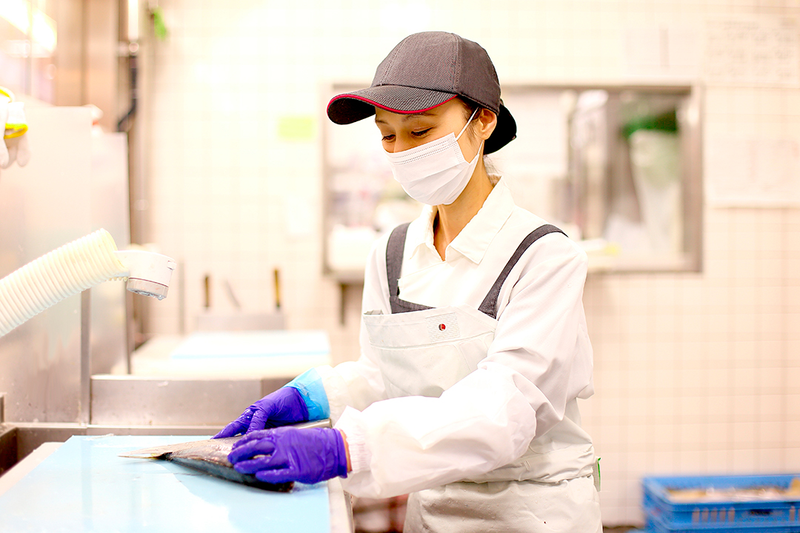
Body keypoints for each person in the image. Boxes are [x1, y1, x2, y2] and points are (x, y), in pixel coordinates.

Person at [215, 31, 602, 532]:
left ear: (483, 121)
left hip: (532, 513)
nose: (401, 151)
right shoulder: (392, 253)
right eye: (387, 135)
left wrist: (347, 448)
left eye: (420, 131)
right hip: (435, 510)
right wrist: (318, 396)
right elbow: (386, 377)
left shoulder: (544, 257)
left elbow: (506, 410)